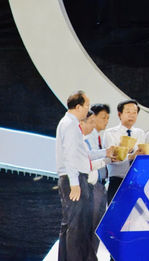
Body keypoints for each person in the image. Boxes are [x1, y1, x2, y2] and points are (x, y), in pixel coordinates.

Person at [55, 91, 96, 261]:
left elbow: (79, 155)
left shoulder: (68, 123)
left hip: (72, 177)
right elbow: (70, 155)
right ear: (78, 107)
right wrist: (75, 182)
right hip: (75, 178)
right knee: (77, 227)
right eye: (87, 106)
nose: (88, 110)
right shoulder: (71, 124)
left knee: (69, 226)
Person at [82, 106, 112, 258]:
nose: (105, 121)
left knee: (96, 226)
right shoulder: (88, 136)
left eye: (108, 117)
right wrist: (107, 154)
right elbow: (89, 156)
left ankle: (90, 256)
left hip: (100, 184)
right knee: (91, 225)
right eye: (103, 117)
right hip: (91, 185)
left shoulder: (100, 136)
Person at [103, 100, 146, 204]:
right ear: (119, 114)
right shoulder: (110, 133)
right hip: (117, 180)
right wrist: (131, 156)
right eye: (128, 112)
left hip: (137, 182)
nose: (132, 115)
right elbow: (111, 159)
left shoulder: (140, 133)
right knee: (116, 215)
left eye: (135, 112)